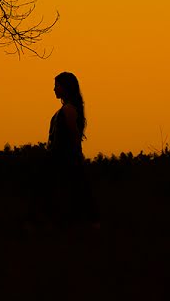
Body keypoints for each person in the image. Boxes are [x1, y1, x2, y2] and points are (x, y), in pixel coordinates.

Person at [47, 71, 99, 226]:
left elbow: (74, 136)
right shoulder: (66, 109)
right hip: (63, 158)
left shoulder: (69, 109)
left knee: (74, 192)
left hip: (66, 159)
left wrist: (75, 157)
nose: (54, 89)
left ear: (65, 88)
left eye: (57, 86)